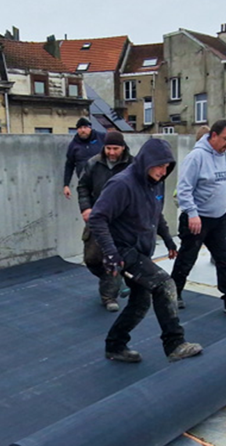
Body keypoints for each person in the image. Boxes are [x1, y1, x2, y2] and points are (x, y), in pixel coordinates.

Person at [88, 138, 202, 363]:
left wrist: (168, 240)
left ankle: (115, 346)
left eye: (167, 166)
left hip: (140, 249)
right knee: (164, 284)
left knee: (141, 301)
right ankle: (175, 343)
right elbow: (97, 218)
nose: (163, 171)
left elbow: (155, 214)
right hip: (123, 250)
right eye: (159, 165)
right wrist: (111, 253)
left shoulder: (155, 182)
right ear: (147, 162)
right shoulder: (122, 184)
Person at [171, 119, 226, 316]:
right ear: (213, 136)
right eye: (225, 138)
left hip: (220, 219)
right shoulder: (196, 157)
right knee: (186, 259)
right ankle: (173, 293)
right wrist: (192, 214)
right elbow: (184, 189)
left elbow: (225, 183)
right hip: (198, 219)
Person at [78, 131, 133, 311]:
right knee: (92, 258)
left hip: (121, 220)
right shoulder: (94, 163)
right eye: (108, 148)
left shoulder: (132, 165)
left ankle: (109, 296)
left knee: (113, 256)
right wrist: (86, 208)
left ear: (123, 148)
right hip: (98, 217)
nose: (111, 152)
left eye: (115, 148)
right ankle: (111, 279)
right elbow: (83, 187)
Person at [63, 118, 104, 199]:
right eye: (80, 128)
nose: (83, 130)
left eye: (85, 127)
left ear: (90, 128)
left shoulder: (102, 137)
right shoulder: (74, 145)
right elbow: (69, 165)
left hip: (103, 180)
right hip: (85, 183)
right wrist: (66, 185)